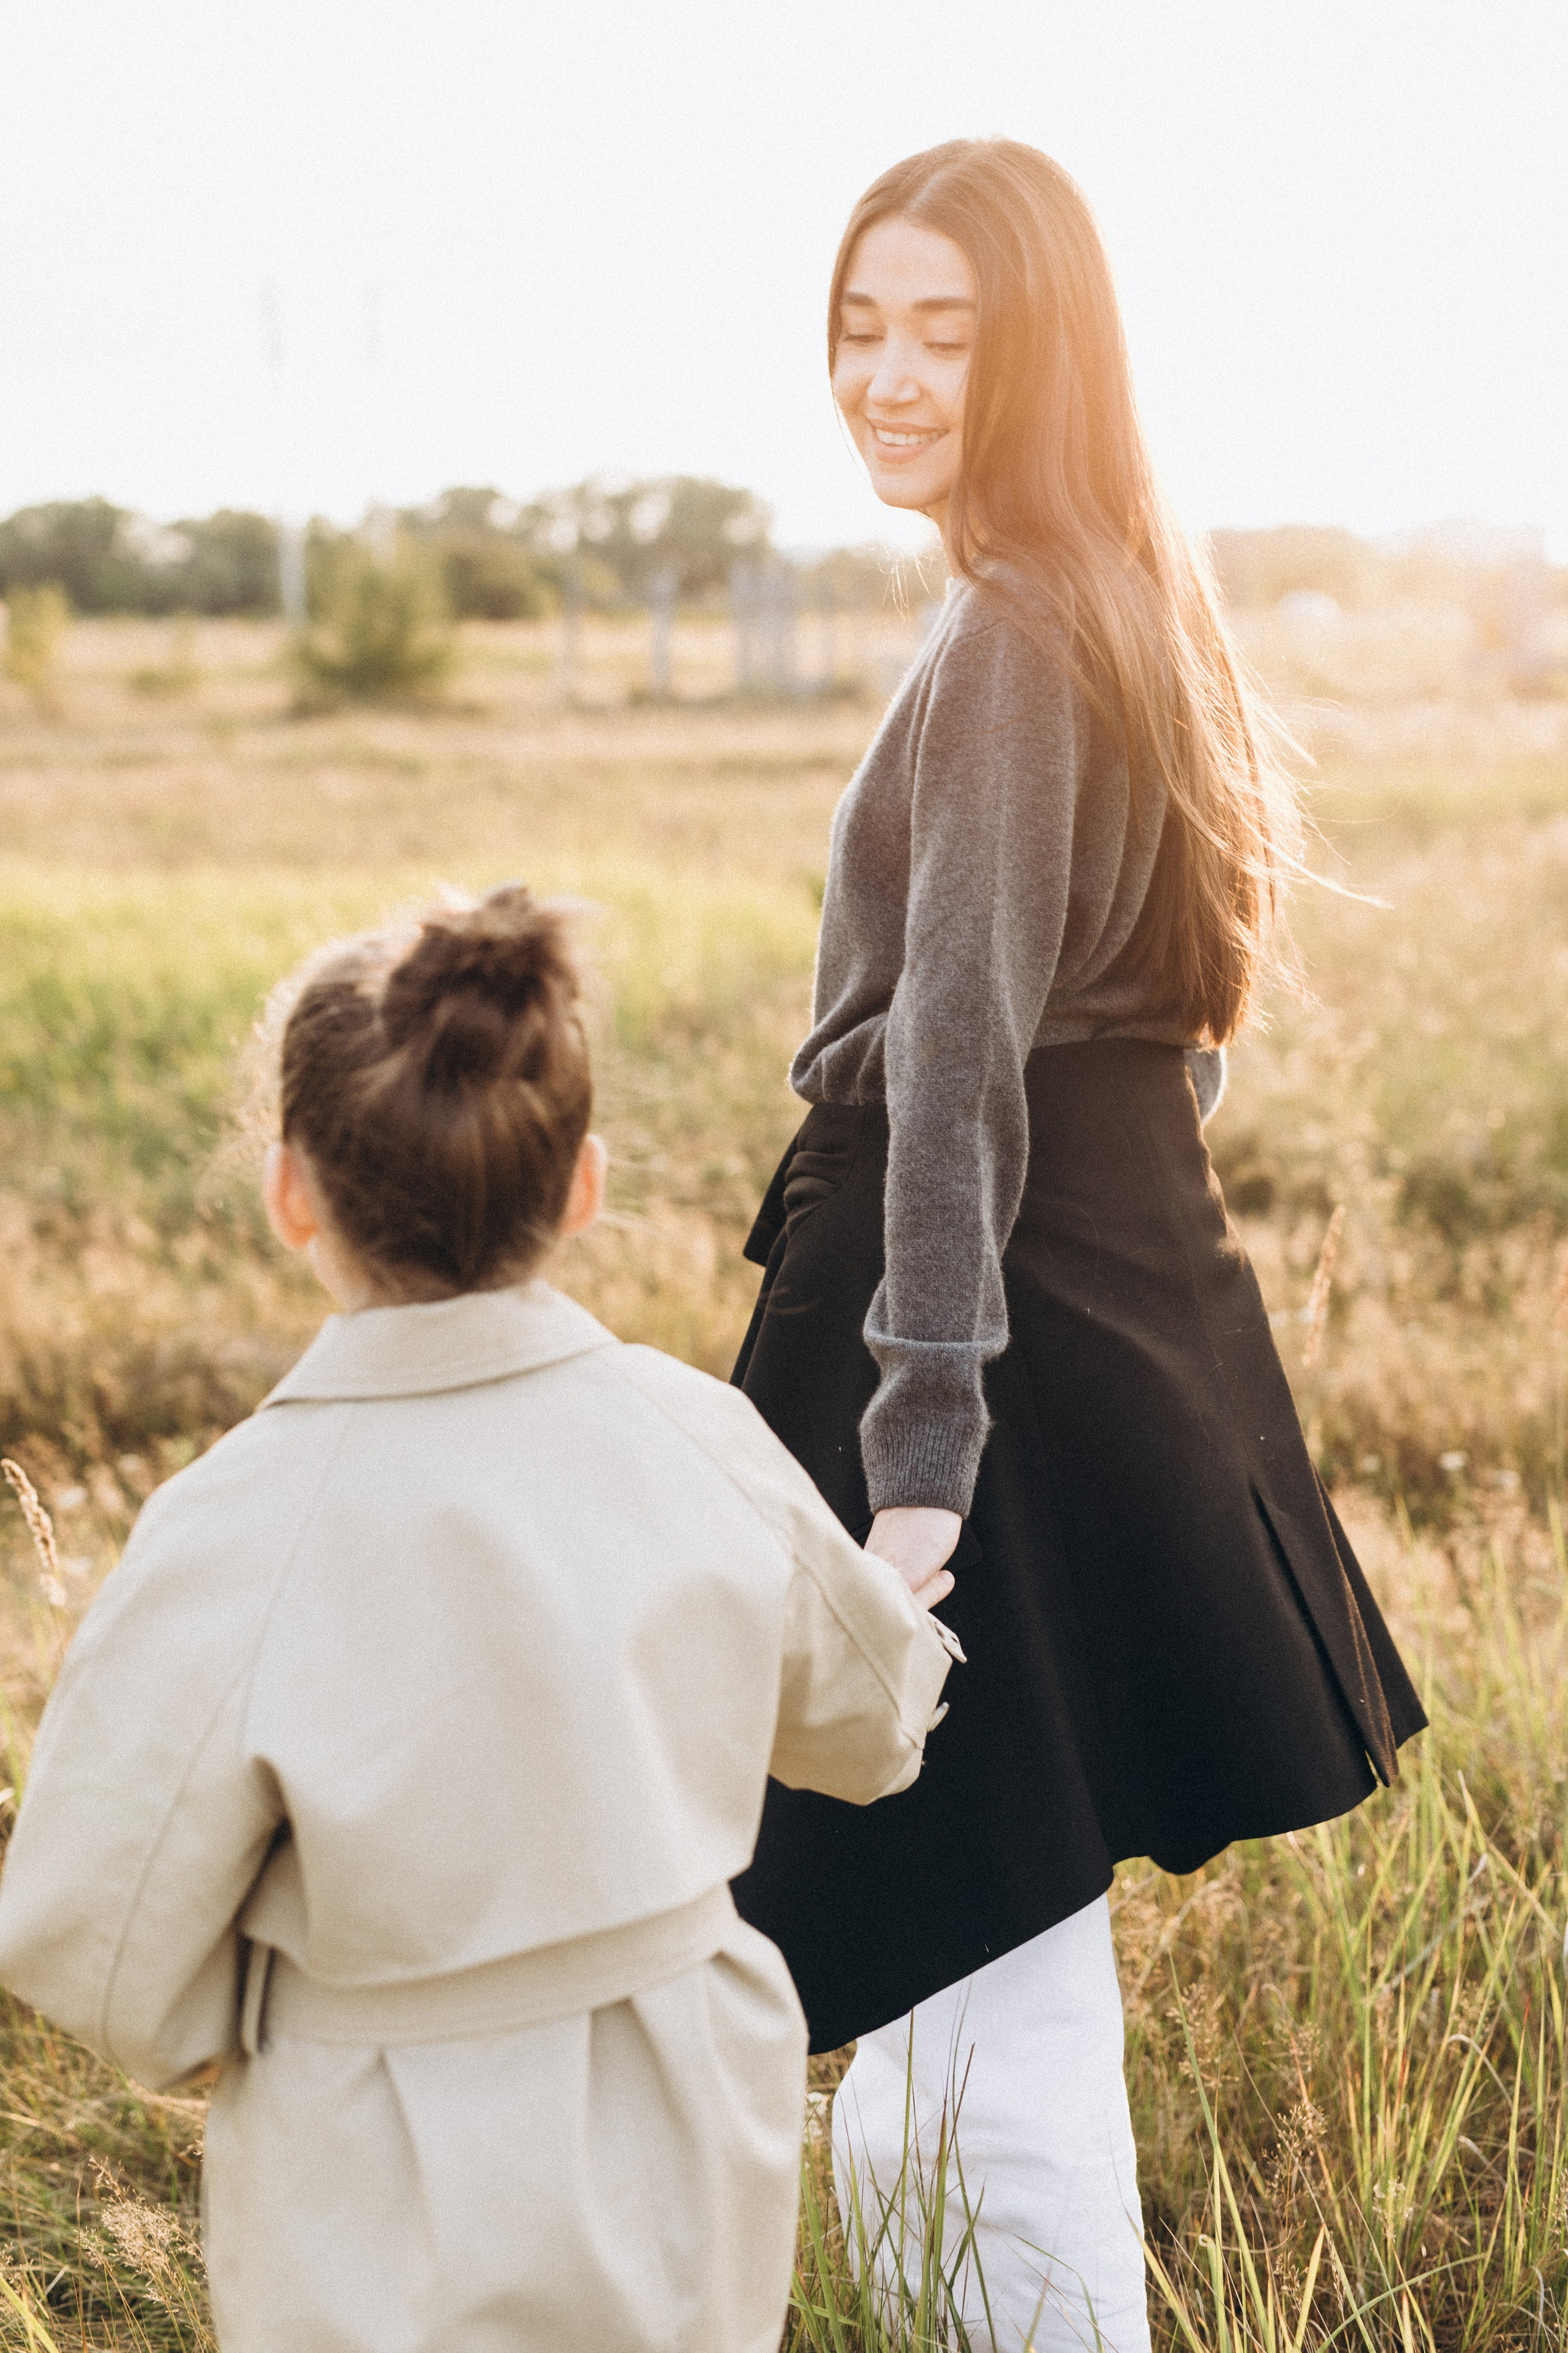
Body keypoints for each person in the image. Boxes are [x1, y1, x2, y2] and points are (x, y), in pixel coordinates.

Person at [729, 139, 1426, 2352]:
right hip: (1087, 1293)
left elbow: (963, 1058)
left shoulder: (1023, 625)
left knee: (961, 1940)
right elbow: (1157, 1045)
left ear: (1043, 353)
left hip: (960, 1343)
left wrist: (923, 1447)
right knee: (976, 1941)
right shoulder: (1111, 591)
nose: (886, 373)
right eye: (862, 323)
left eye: (944, 331)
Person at [0, 885, 961, 2353]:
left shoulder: (236, 1523)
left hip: (376, 2163)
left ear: (289, 1194)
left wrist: (268, 2007)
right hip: (687, 2123)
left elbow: (94, 1943)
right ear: (580, 1185)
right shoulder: (692, 1436)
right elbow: (870, 1726)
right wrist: (896, 1614)